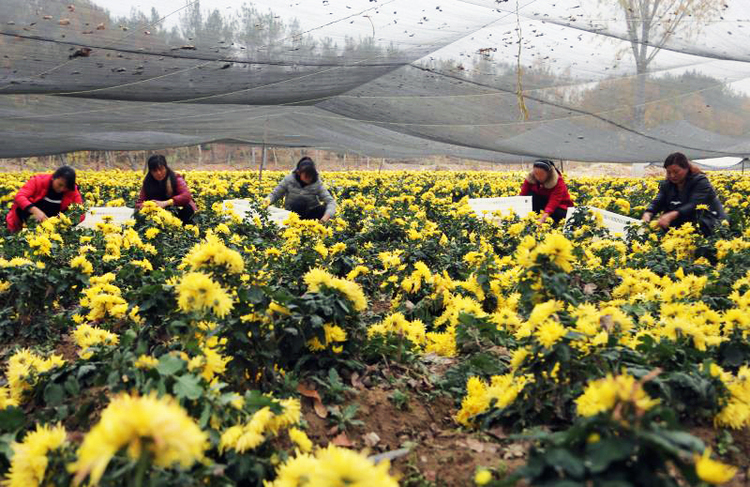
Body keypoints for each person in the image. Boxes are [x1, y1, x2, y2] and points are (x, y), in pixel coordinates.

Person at [642, 152, 726, 235]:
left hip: (709, 223)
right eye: (669, 172)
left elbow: (694, 204)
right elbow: (658, 201)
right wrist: (648, 213)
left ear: (686, 168)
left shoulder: (700, 181)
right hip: (685, 225)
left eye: (676, 171)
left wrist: (671, 215)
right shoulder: (667, 185)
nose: (672, 175)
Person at [6, 165, 84, 232]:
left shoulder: (72, 191)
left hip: (52, 229)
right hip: (22, 224)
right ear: (54, 177)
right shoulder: (39, 181)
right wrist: (35, 211)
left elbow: (80, 213)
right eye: (60, 185)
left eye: (66, 187)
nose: (62, 189)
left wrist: (63, 223)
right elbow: (20, 197)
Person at [266, 156, 336, 222]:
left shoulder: (316, 182)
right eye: (307, 176)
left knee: (322, 209)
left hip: (310, 214)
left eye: (311, 175)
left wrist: (326, 216)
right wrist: (265, 202)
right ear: (299, 173)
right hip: (292, 214)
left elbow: (330, 201)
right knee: (298, 203)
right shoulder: (289, 180)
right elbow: (275, 194)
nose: (310, 178)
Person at [135, 155, 197, 224]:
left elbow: (186, 196)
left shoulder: (175, 178)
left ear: (166, 168)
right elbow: (139, 203)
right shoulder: (147, 182)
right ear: (151, 172)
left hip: (178, 211)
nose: (158, 173)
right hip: (159, 214)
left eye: (161, 169)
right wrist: (148, 205)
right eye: (155, 170)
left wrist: (166, 203)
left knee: (187, 208)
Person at [519, 159, 574, 224]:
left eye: (541, 175)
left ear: (549, 173)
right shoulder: (531, 178)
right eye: (536, 174)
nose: (538, 177)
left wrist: (543, 218)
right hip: (544, 205)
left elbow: (554, 202)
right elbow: (522, 195)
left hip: (560, 207)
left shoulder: (557, 181)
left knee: (556, 214)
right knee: (531, 196)